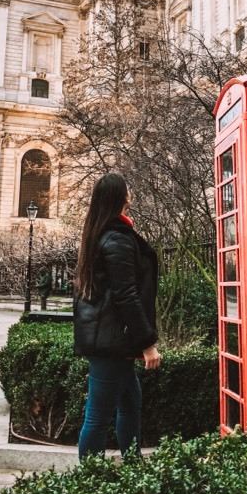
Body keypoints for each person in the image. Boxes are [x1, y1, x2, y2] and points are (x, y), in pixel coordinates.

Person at [74, 172, 161, 460]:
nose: (131, 192)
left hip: (111, 339)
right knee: (97, 418)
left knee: (131, 404)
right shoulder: (117, 239)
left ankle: (133, 464)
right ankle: (90, 481)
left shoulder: (103, 233)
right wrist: (147, 343)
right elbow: (126, 295)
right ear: (121, 197)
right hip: (110, 342)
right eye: (127, 188)